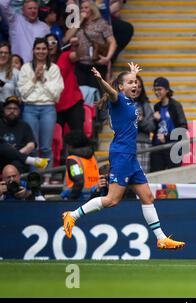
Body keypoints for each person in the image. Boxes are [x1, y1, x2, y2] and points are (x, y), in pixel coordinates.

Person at [61, 62, 185, 250]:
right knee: (112, 200)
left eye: (136, 83)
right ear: (120, 87)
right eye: (130, 83)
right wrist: (101, 80)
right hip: (121, 154)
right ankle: (73, 215)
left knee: (147, 197)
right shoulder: (117, 98)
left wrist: (133, 74)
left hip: (130, 156)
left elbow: (125, 87)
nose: (135, 85)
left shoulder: (129, 101)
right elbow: (110, 91)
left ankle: (161, 238)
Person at [17, 37, 64, 168]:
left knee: (46, 147)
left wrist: (42, 78)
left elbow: (56, 94)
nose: (41, 51)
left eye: (44, 49)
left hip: (48, 108)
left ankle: (47, 176)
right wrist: (34, 78)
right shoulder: (26, 68)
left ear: (48, 51)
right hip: (29, 108)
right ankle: (34, 177)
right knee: (32, 146)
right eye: (38, 48)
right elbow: (22, 93)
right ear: (33, 50)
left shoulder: (54, 68)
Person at [46, 34, 85, 132]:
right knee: (57, 140)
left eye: (53, 42)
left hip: (73, 102)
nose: (50, 45)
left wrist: (77, 45)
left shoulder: (65, 55)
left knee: (78, 136)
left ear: (57, 44)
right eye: (48, 43)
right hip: (54, 106)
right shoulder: (41, 63)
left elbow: (78, 55)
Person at [150, 77, 187, 172]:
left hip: (173, 147)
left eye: (159, 89)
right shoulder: (156, 106)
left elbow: (183, 128)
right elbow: (156, 127)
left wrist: (166, 137)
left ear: (167, 90)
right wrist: (155, 120)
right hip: (158, 148)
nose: (156, 92)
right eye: (155, 90)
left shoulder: (175, 105)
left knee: (173, 179)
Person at [0, 95, 36, 172]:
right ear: (4, 110)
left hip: (18, 159)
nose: (12, 111)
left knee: (17, 164)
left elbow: (31, 144)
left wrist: (15, 154)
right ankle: (28, 159)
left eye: (15, 109)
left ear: (19, 111)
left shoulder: (24, 125)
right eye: (9, 108)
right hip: (1, 157)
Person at [60, 130, 99, 201]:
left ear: (70, 145)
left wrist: (71, 199)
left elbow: (79, 181)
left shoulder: (73, 160)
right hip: (94, 194)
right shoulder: (92, 156)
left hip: (78, 196)